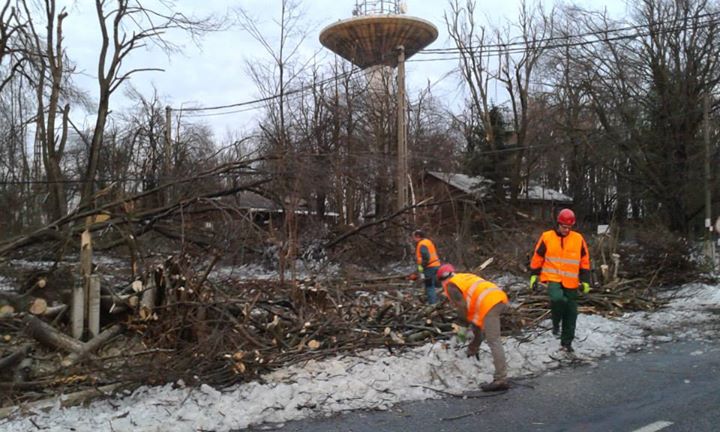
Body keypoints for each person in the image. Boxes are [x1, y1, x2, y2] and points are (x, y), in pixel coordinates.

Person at [436, 263, 510, 392]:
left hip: (489, 303)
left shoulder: (451, 285)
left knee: (494, 340)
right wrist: (473, 346)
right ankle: (473, 350)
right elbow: (476, 323)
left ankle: (501, 379)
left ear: (442, 280)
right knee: (479, 328)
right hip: (497, 297)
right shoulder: (464, 277)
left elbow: (462, 306)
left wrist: (462, 325)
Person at [529, 208, 591, 353]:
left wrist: (586, 280)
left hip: (571, 282)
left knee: (571, 313)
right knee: (557, 299)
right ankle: (556, 323)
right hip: (553, 278)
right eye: (564, 226)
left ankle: (566, 343)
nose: (566, 230)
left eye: (569, 227)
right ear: (558, 223)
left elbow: (585, 261)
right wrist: (534, 274)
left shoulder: (578, 239)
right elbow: (538, 257)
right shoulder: (547, 237)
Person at [412, 229, 442, 304]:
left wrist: (422, 267)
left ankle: (432, 304)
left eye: (414, 237)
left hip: (429, 267)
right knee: (435, 285)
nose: (413, 239)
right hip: (436, 265)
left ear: (418, 236)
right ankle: (436, 300)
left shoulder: (422, 244)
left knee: (429, 286)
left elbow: (426, 257)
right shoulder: (428, 241)